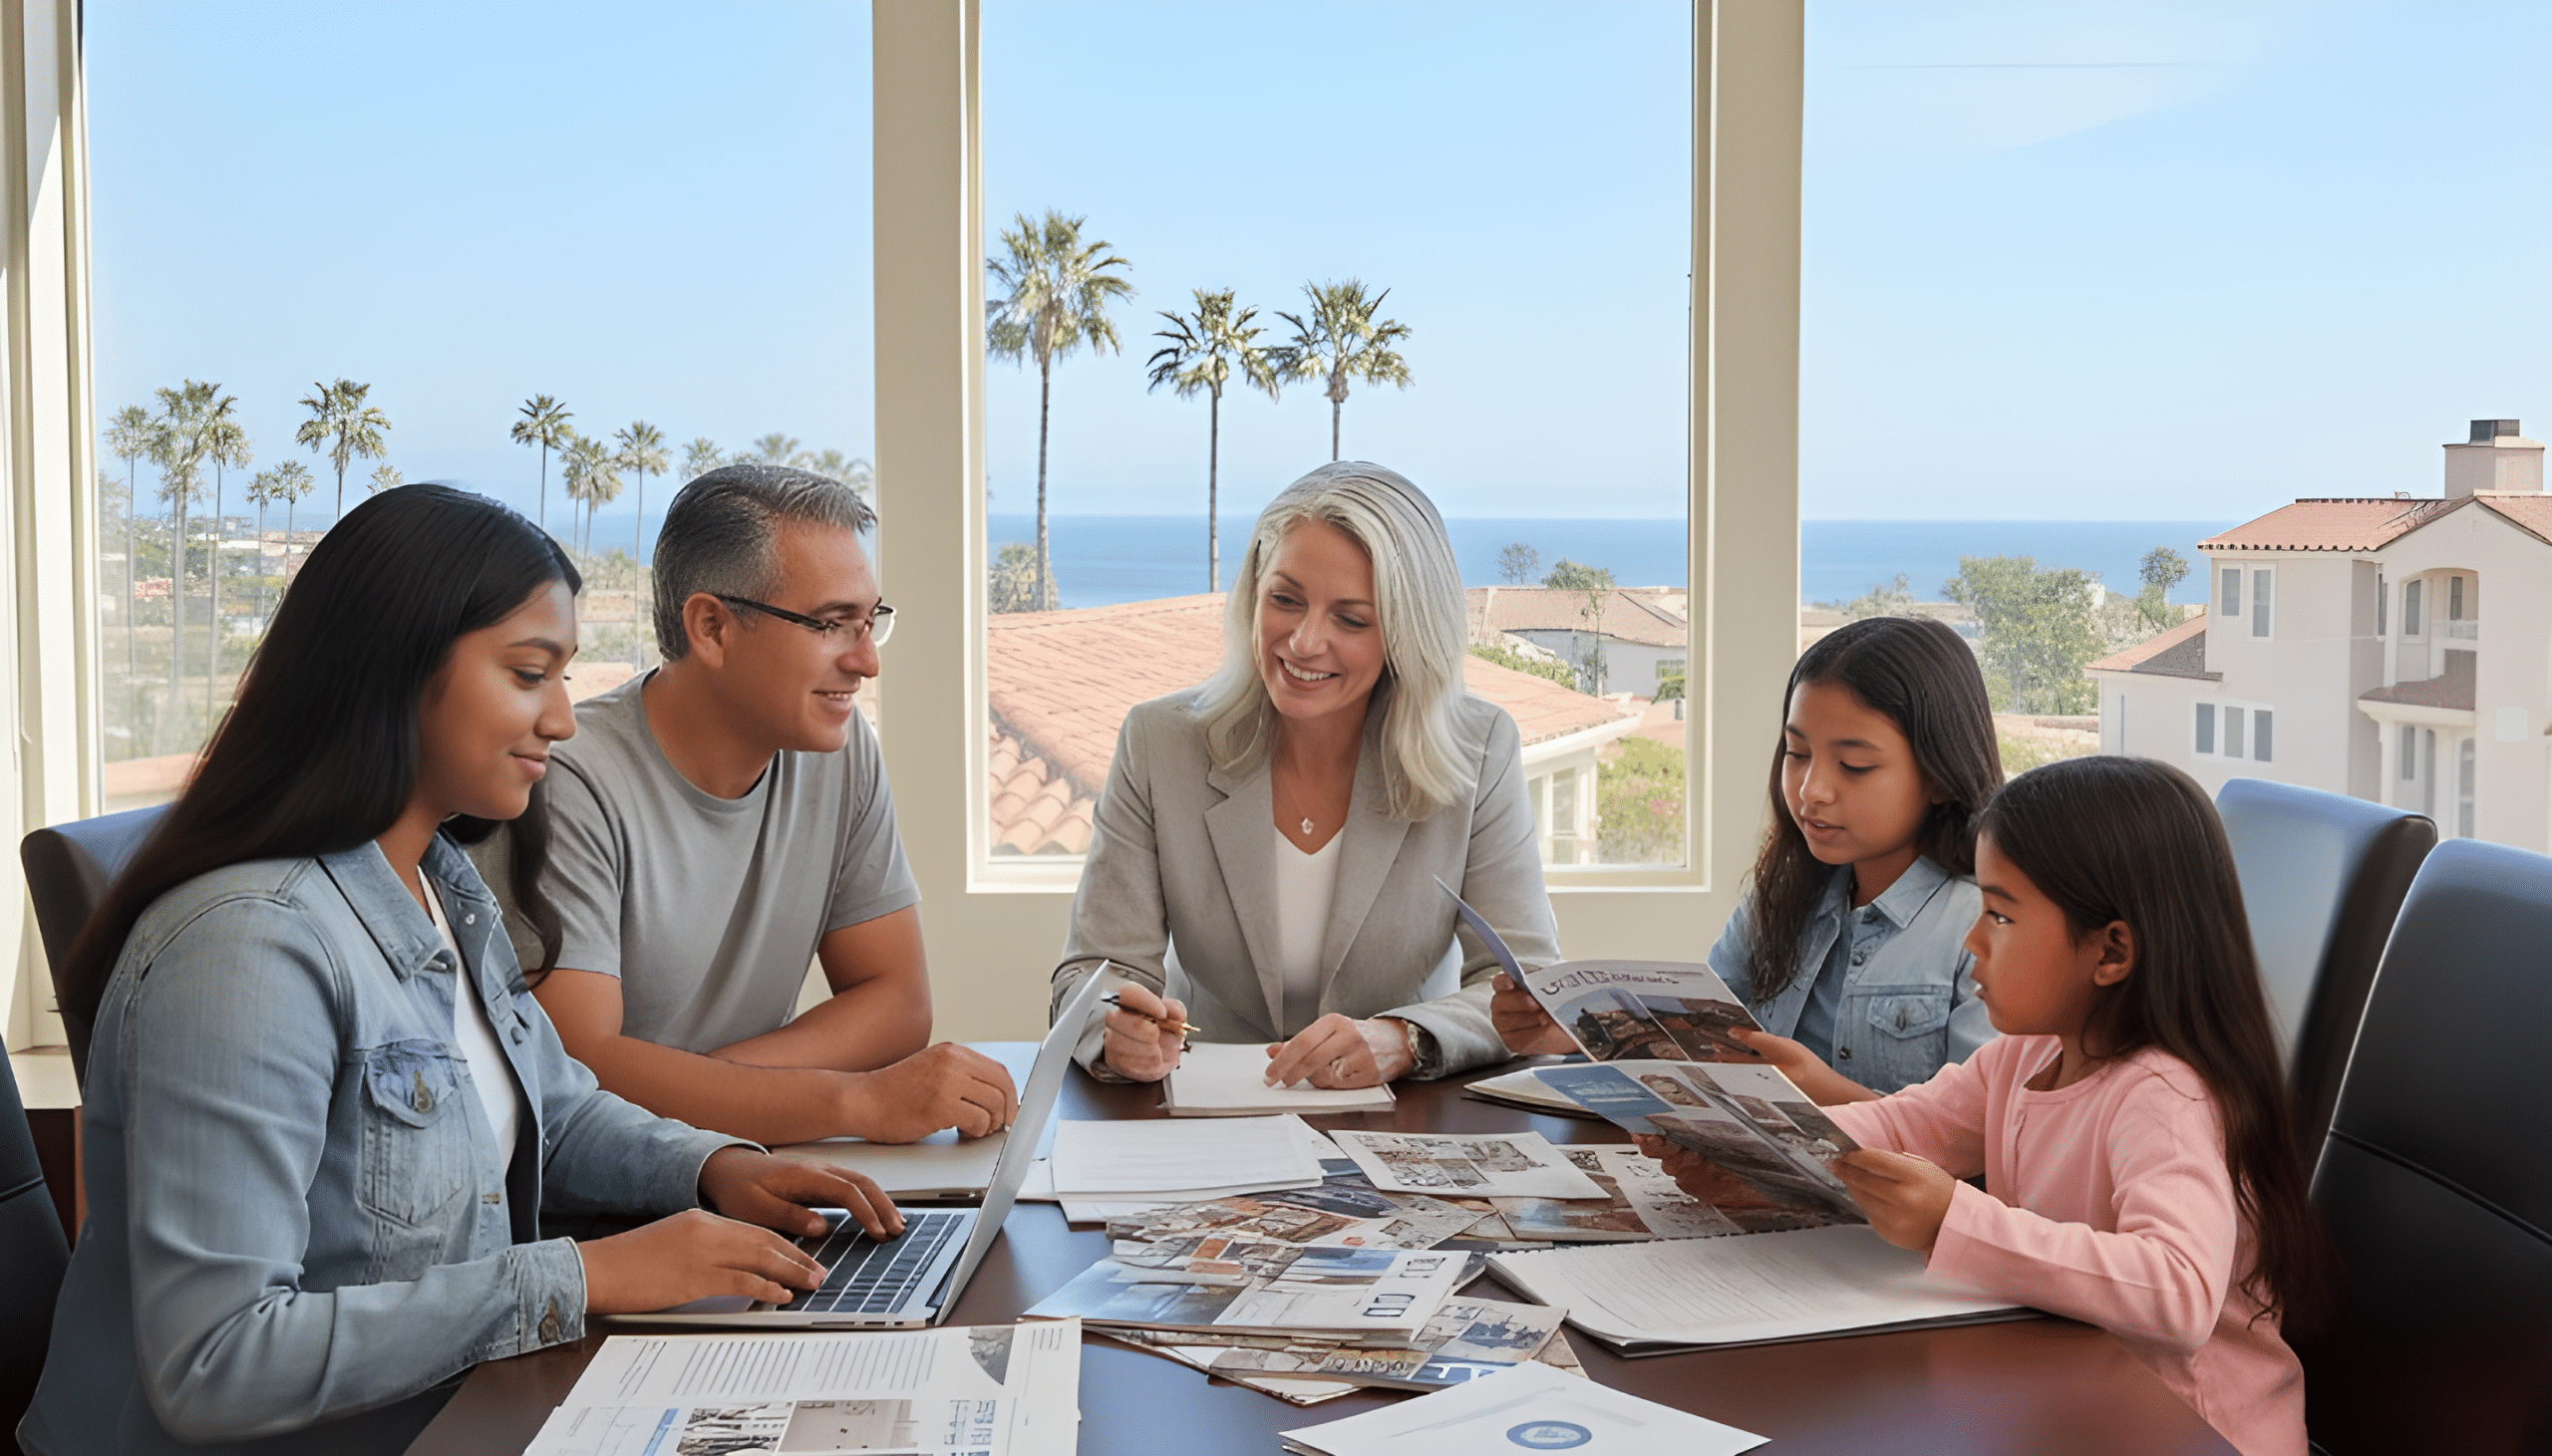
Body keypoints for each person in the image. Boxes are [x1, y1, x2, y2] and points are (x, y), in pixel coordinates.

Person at [23, 487, 902, 1456]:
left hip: (460, 1415)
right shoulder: (247, 951)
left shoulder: (441, 881)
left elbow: (552, 1105)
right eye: (531, 675)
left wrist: (714, 1167)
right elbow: (217, 1363)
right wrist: (589, 1277)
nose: (563, 720)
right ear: (395, 674)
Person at [1667, 756, 2335, 1456]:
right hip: (2077, 1397)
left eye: (2000, 914)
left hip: (2193, 1429)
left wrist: (1953, 1217)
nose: (1972, 941)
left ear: (2111, 951)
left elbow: (2179, 1291)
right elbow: (1902, 1127)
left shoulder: (2164, 1095)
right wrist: (1752, 1145)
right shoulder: (2025, 1056)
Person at [480, 464, 1017, 1146]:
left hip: (752, 1169)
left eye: (869, 621)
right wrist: (848, 1103)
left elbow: (898, 1002)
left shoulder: (842, 753)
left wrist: (721, 1092)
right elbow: (581, 1069)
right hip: (610, 1210)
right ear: (711, 627)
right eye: (830, 623)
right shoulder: (570, 783)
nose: (866, 661)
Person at [1054, 461, 1560, 1087]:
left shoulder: (1480, 748)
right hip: (1208, 1116)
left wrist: (1405, 1039)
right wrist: (1113, 1030)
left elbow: (1526, 990)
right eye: (1285, 601)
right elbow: (1092, 975)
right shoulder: (1159, 743)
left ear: (1406, 632)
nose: (1303, 642)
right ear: (1253, 596)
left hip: (1402, 1121)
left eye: (1351, 619)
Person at [1492, 614, 2003, 1096]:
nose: (1812, 790)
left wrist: (1823, 1095)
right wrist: (1567, 1033)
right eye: (1796, 754)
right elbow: (1700, 1036)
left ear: (1938, 774)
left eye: (1854, 765)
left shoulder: (1984, 924)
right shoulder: (1782, 893)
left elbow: (1984, 1132)